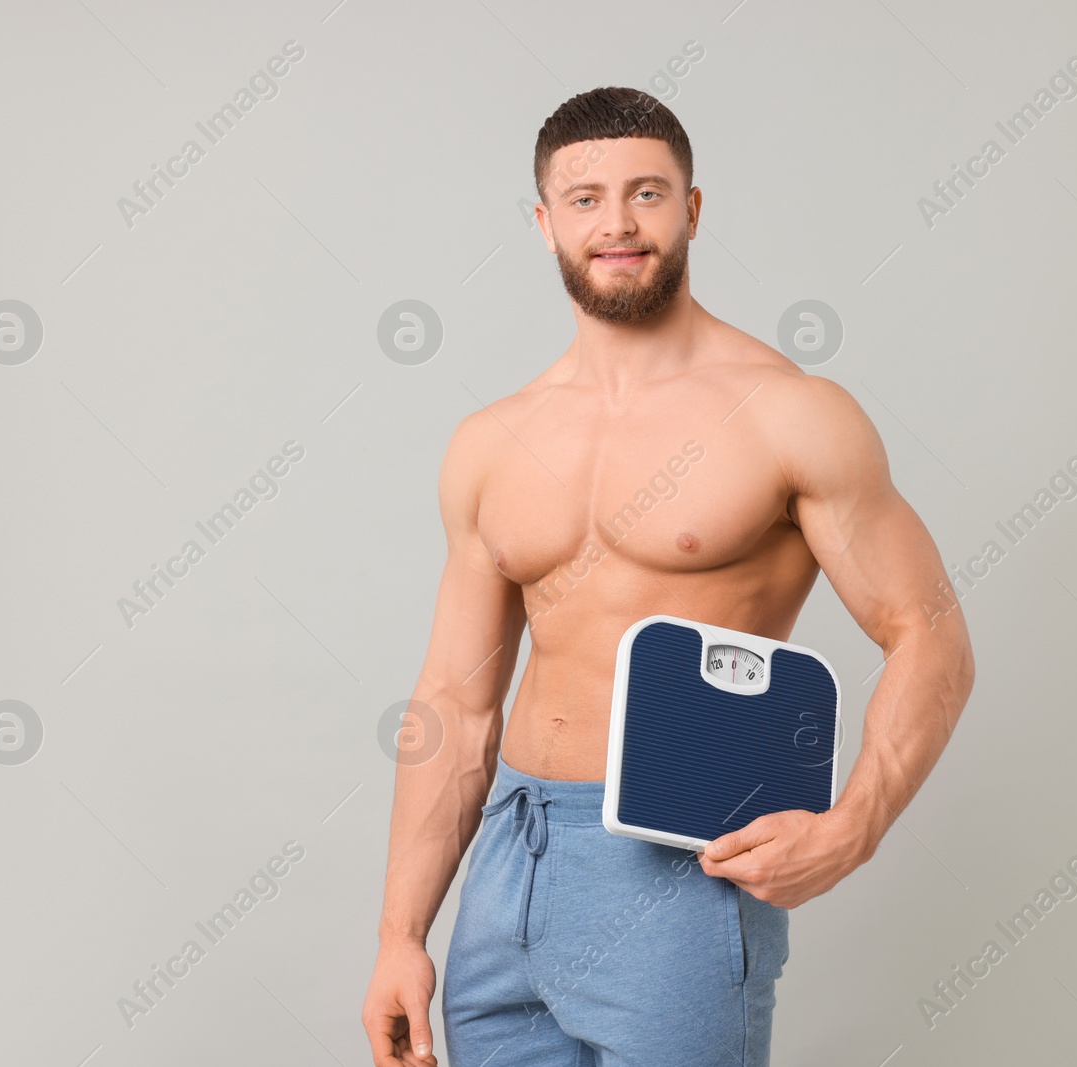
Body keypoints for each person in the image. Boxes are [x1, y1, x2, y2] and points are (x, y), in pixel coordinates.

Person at [362, 86, 975, 1066]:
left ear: (690, 210)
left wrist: (856, 822)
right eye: (585, 198)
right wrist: (401, 933)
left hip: (676, 865)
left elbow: (929, 628)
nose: (615, 222)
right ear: (543, 222)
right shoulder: (492, 441)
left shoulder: (788, 413)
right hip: (506, 867)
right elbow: (453, 700)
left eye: (646, 194)